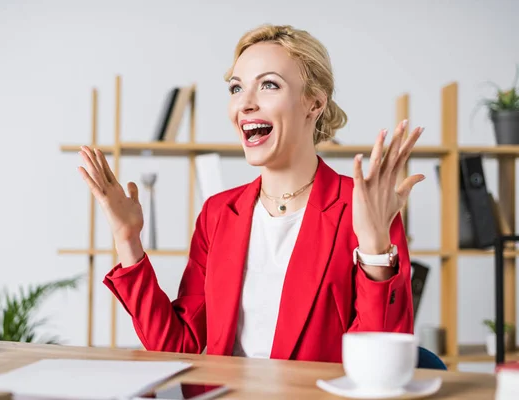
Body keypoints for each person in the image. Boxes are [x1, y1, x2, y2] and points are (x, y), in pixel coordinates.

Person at [77, 24, 424, 363]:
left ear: (314, 103)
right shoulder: (218, 213)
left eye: (269, 85)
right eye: (236, 88)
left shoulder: (365, 207)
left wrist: (376, 249)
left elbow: (379, 364)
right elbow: (176, 346)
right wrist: (127, 240)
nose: (245, 104)